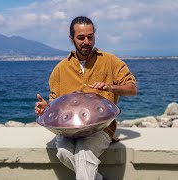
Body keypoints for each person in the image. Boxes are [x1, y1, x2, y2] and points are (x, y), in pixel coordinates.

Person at [35, 16, 137, 180]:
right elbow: (55, 105)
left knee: (83, 154)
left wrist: (111, 87)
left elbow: (132, 89)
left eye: (90, 37)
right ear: (71, 38)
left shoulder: (110, 61)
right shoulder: (60, 69)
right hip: (68, 130)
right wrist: (45, 108)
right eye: (81, 37)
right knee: (62, 152)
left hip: (100, 128)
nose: (86, 41)